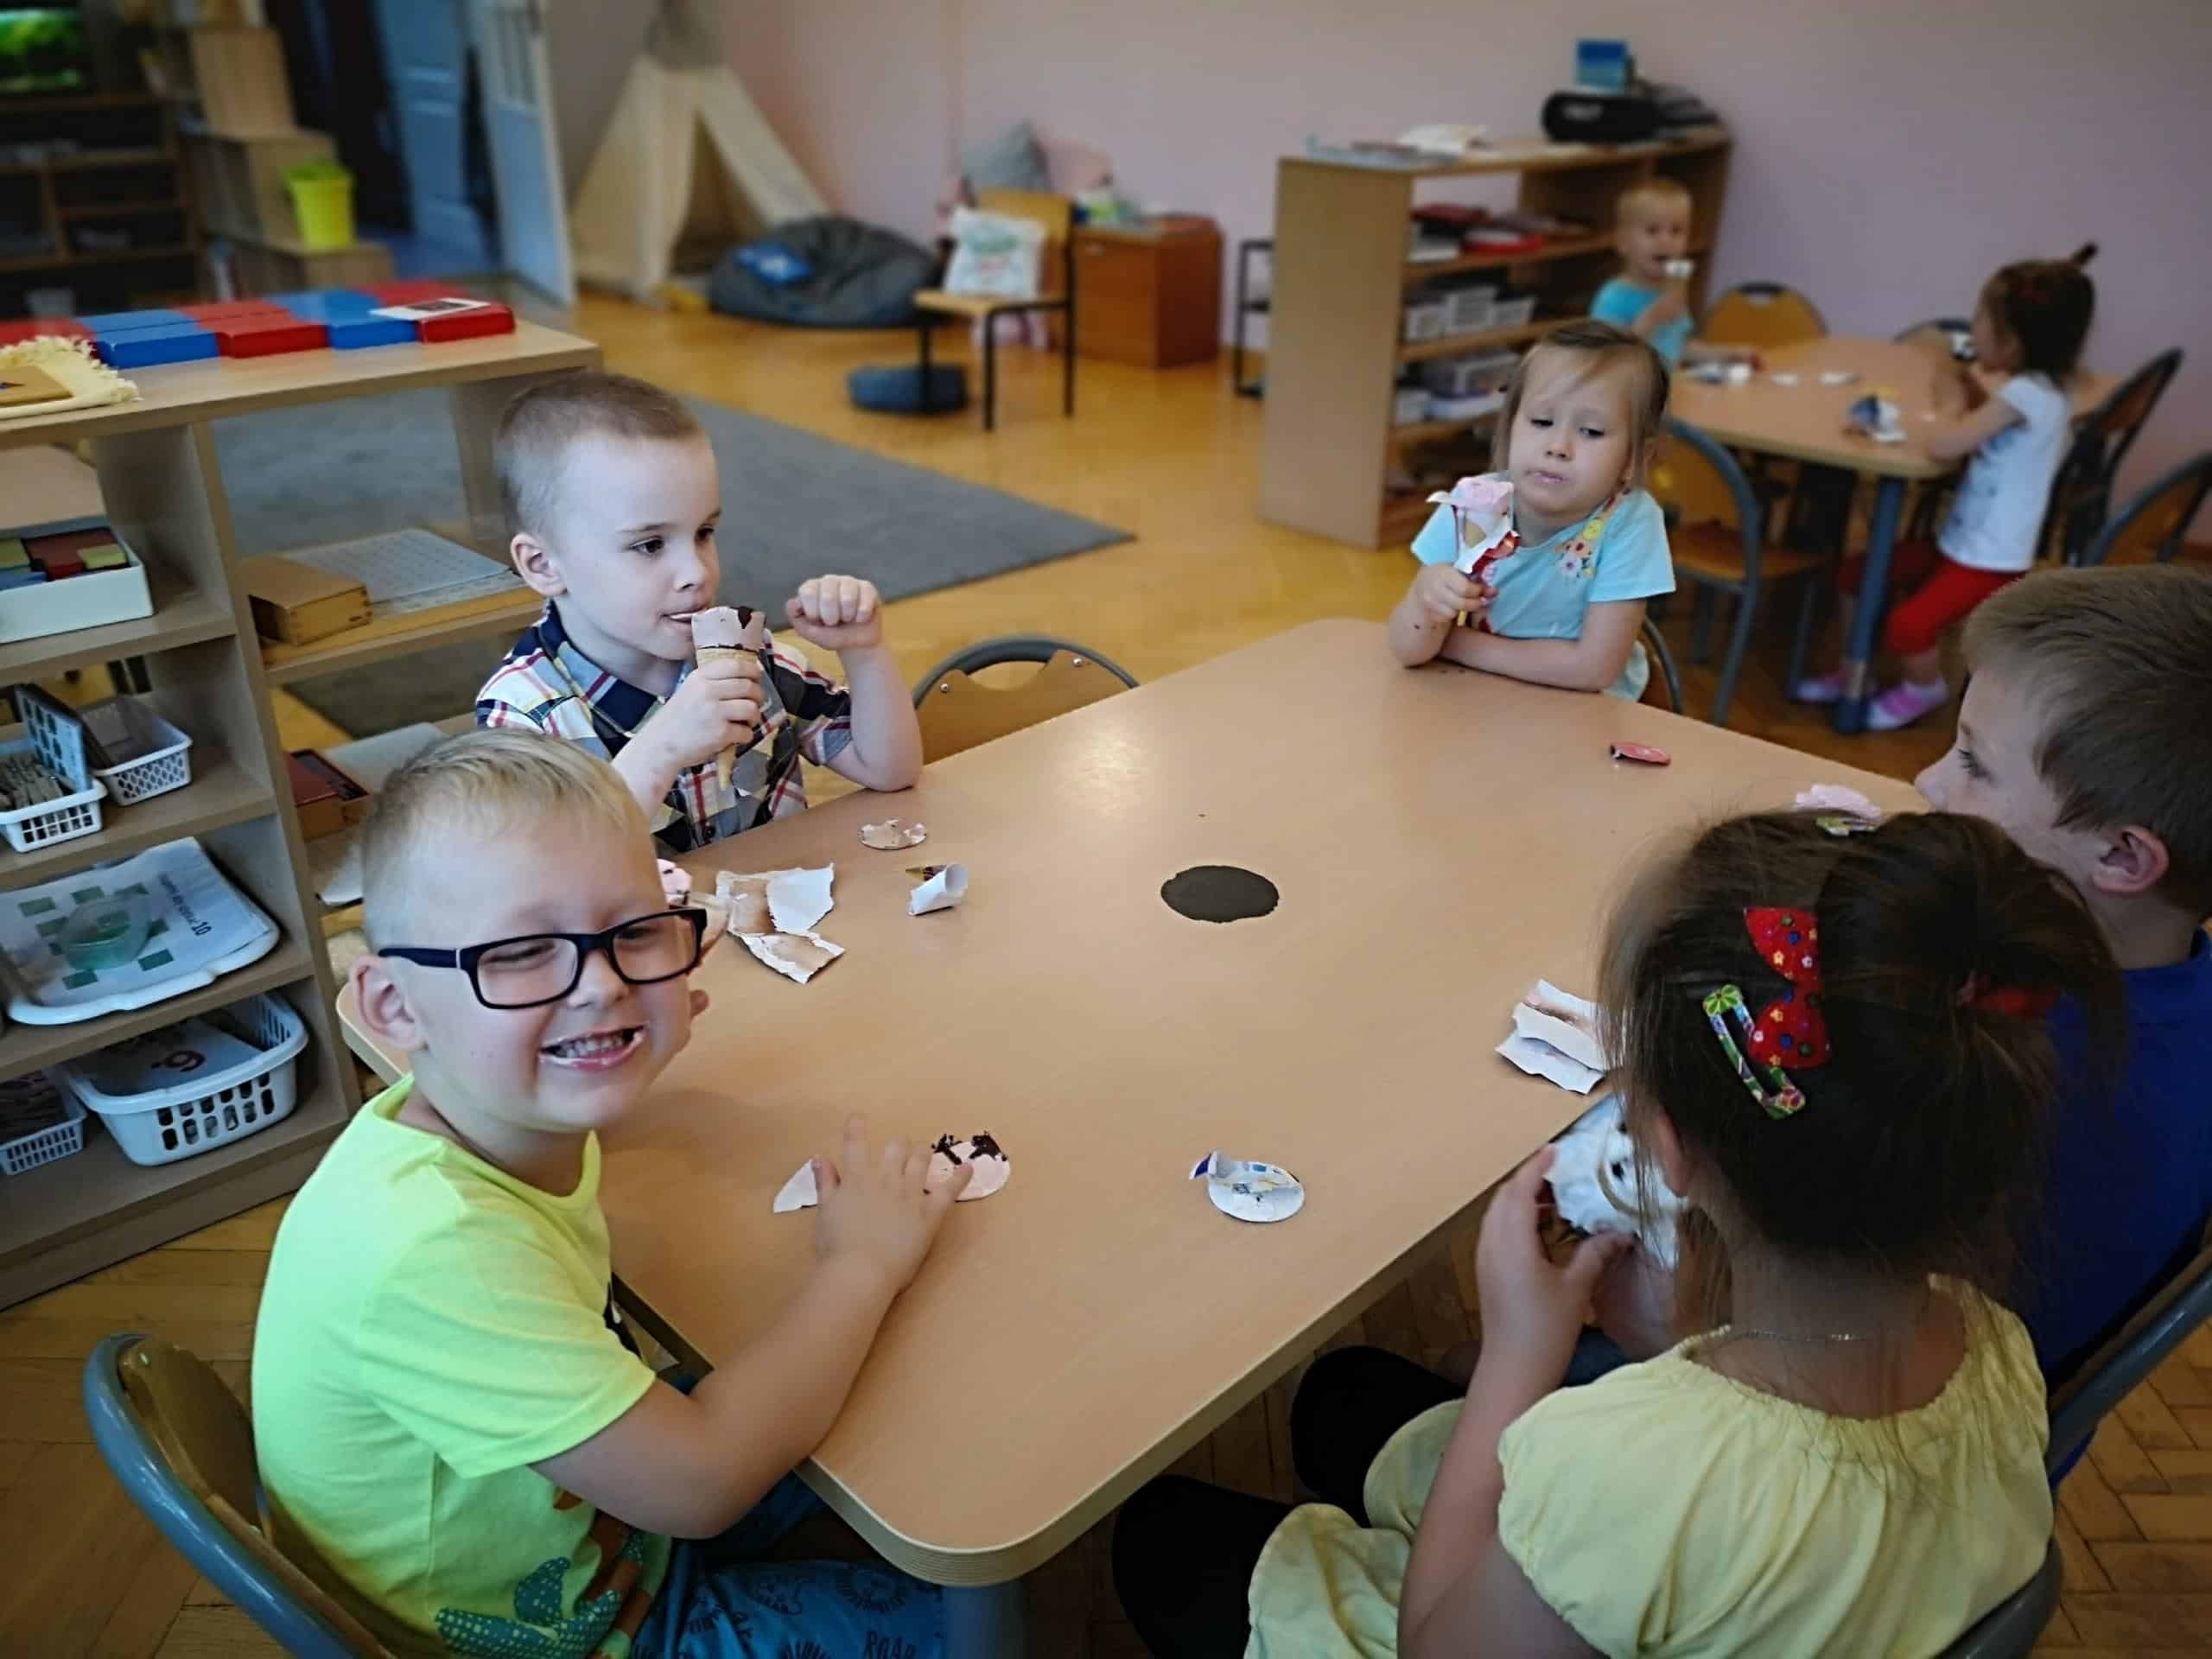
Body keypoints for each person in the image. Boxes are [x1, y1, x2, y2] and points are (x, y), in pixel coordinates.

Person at [1112, 809, 2120, 1657]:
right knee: (1343, 1393)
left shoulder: (1636, 1474)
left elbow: (1436, 1644)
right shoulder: (1998, 1347)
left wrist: (1518, 1354)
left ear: (1667, 1150)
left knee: (1162, 1539)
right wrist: (1669, 1337)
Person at [253, 729, 963, 1656]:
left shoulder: (476, 1115)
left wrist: (624, 1048)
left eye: (633, 933)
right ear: (394, 1007)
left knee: (907, 1400)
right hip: (579, 1628)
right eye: (519, 952)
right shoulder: (434, 1251)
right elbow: (703, 1486)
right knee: (977, 1627)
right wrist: (861, 1263)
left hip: (598, 1528)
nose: (602, 984)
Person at [1920, 565, 2212, 1426]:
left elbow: (1896, 1371)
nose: (1930, 782)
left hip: (1904, 1452)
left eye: (1973, 764)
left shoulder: (2056, 1097)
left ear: (2121, 857)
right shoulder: (2152, 981)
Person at [475, 371, 924, 854]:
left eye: (704, 533)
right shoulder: (522, 716)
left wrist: (865, 653)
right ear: (543, 566)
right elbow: (553, 871)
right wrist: (661, 750)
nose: (695, 571)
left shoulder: (752, 658)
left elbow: (890, 769)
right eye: (649, 545)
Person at [1795, 248, 2098, 730]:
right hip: (1963, 543)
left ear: (2014, 341)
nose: (1972, 329)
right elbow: (1989, 420)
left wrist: (1952, 395)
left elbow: (1944, 445)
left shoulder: (2024, 395)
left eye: (1981, 319)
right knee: (1855, 574)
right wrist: (1972, 393)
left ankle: (1923, 689)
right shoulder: (2044, 390)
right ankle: (1855, 672)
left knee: (1909, 624)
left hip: (1991, 560)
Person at [1388, 321, 1676, 700]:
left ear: (1635, 457)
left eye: (1591, 432)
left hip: (1592, 712)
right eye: (1541, 422)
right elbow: (1407, 651)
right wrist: (1424, 603)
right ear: (1509, 428)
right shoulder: (1474, 503)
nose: (1557, 447)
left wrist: (1456, 644)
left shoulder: (1632, 521)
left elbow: (1594, 669)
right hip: (1487, 700)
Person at [1586, 178, 1750, 371]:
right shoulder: (1612, 298)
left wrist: (1727, 355)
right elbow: (1608, 361)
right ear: (1623, 242)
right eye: (1652, 230)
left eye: (1676, 231)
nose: (1666, 240)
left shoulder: (1673, 291)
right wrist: (1654, 318)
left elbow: (1677, 347)